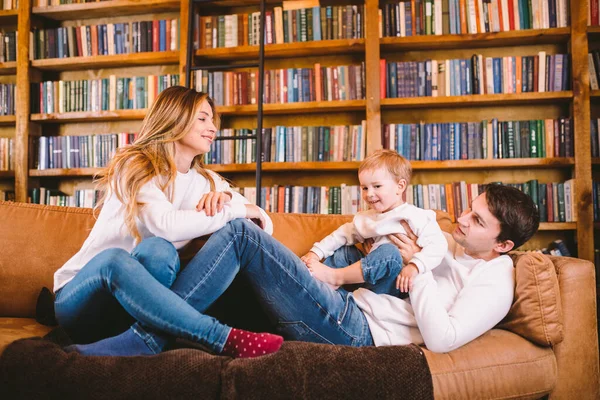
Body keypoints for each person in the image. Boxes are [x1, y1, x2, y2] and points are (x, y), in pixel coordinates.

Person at [138, 182, 539, 353]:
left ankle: (147, 330)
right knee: (238, 270)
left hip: (356, 330)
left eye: (478, 221)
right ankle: (157, 323)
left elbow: (443, 338)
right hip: (345, 302)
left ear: (503, 245)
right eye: (471, 208)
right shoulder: (444, 239)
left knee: (243, 234)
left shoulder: (495, 277)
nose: (463, 218)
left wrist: (417, 268)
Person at [53, 86, 283, 358]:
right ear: (174, 117)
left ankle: (139, 340)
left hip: (132, 312)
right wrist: (231, 209)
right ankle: (218, 336)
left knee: (158, 253)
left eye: (212, 121)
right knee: (119, 257)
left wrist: (231, 201)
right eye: (202, 118)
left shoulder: (208, 181)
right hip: (82, 298)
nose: (212, 128)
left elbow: (261, 225)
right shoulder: (135, 165)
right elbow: (164, 225)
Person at [301, 149, 447, 296]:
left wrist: (415, 266)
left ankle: (334, 277)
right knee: (345, 251)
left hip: (396, 283)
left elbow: (438, 246)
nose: (369, 194)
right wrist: (316, 253)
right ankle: (315, 287)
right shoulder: (367, 218)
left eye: (377, 186)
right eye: (364, 188)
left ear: (400, 186)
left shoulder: (416, 216)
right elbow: (342, 234)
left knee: (390, 252)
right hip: (367, 276)